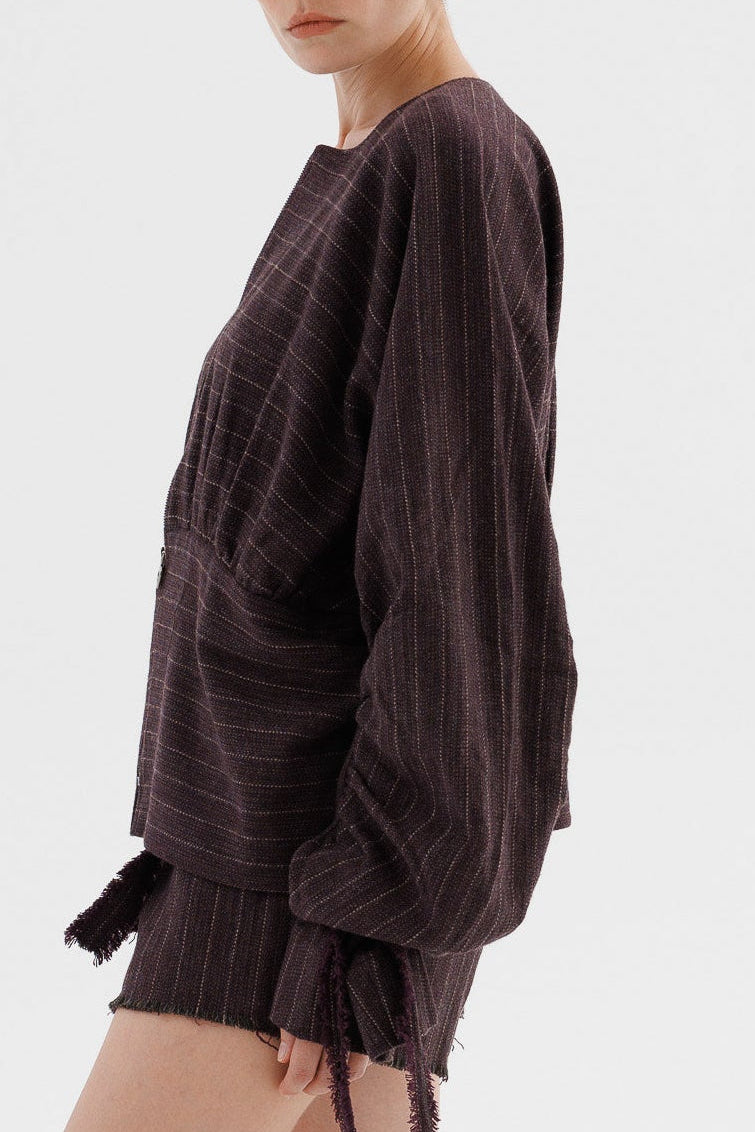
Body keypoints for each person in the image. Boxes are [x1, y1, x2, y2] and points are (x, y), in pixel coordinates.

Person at [62, 3, 578, 1131]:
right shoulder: (379, 154)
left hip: (315, 868)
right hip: (280, 839)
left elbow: (463, 564)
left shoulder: (451, 153)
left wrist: (371, 911)